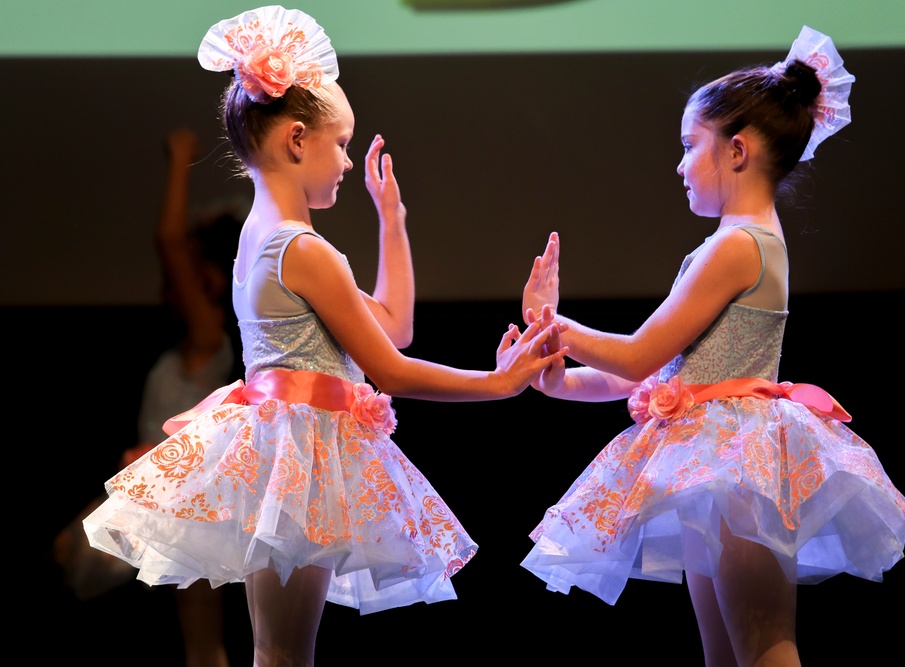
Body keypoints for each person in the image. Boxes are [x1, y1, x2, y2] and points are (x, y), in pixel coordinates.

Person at [82, 6, 566, 666]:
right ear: (298, 139)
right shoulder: (302, 250)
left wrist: (390, 220)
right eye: (340, 144)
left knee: (279, 648)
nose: (345, 160)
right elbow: (390, 367)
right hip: (297, 456)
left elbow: (391, 325)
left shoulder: (264, 238)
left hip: (284, 450)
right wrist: (500, 382)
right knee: (282, 652)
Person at [518, 26, 905, 667]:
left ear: (736, 151)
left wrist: (554, 325)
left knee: (764, 648)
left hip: (736, 461)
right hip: (716, 458)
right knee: (729, 654)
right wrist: (559, 378)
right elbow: (656, 372)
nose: (678, 165)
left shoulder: (738, 246)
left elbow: (641, 354)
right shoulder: (738, 242)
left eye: (688, 146)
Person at [54, 127, 242, 666]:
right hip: (156, 488)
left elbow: (168, 243)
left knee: (201, 636)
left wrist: (180, 160)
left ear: (208, 279)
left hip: (178, 492)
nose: (173, 278)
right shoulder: (191, 343)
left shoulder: (209, 335)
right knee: (195, 633)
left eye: (189, 271)